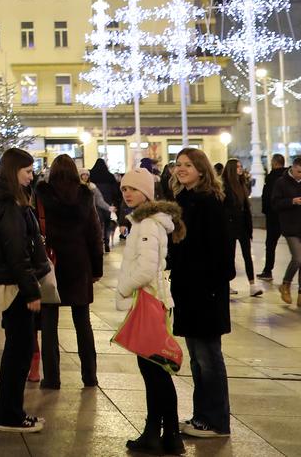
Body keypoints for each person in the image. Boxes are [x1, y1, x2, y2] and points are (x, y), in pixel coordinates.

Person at [116, 167, 186, 454]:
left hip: (148, 302)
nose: (127, 193)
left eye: (132, 189)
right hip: (151, 301)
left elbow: (146, 268)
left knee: (155, 372)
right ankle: (166, 434)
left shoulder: (147, 225)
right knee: (155, 372)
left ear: (146, 191)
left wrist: (123, 288)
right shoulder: (147, 222)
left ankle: (159, 433)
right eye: (123, 190)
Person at [0, 147, 48, 434]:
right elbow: (16, 252)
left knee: (18, 350)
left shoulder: (6, 200)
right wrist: (32, 291)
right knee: (18, 353)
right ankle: (9, 415)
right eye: (27, 172)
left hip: (10, 282)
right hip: (15, 285)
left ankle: (13, 411)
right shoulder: (9, 205)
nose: (31, 177)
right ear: (13, 172)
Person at [168, 147, 232, 439]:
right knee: (197, 358)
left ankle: (216, 420)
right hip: (187, 289)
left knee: (208, 358)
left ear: (202, 170)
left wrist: (209, 286)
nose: (181, 169)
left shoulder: (209, 203)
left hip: (205, 291)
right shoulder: (183, 200)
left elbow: (221, 252)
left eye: (188, 165)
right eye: (179, 165)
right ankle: (201, 416)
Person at [34, 154, 102, 389]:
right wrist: (96, 268)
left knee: (49, 323)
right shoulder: (85, 195)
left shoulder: (41, 194)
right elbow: (94, 233)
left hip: (50, 265)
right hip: (79, 263)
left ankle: (52, 378)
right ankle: (90, 376)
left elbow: (34, 231)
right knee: (82, 322)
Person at [271, 156, 301, 309]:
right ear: (292, 168)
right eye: (299, 171)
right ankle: (285, 285)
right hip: (291, 227)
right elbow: (275, 204)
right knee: (298, 258)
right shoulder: (281, 183)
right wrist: (292, 201)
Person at [222, 158, 263, 296]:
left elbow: (245, 207)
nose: (240, 169)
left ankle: (252, 284)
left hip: (243, 226)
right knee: (229, 256)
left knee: (247, 255)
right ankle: (226, 283)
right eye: (238, 167)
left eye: (241, 166)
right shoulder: (224, 186)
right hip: (229, 226)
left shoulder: (242, 184)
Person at [258, 153, 287, 282]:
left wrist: (266, 212)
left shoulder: (271, 178)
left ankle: (268, 270)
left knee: (271, 244)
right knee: (295, 244)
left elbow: (267, 197)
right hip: (288, 215)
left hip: (273, 216)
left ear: (274, 163)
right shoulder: (289, 177)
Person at [88, 157, 121, 250]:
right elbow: (115, 191)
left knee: (97, 222)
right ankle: (106, 243)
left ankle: (98, 242)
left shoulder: (91, 175)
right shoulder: (109, 176)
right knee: (107, 222)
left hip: (94, 203)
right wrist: (114, 202)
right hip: (107, 202)